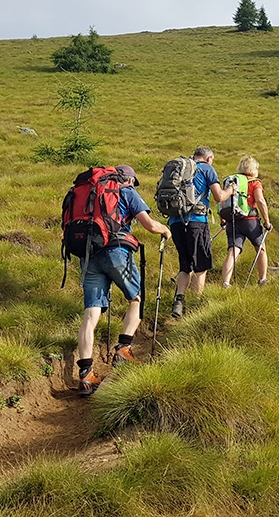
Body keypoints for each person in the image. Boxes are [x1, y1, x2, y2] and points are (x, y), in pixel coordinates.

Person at [77, 165, 171, 397]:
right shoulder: (127, 192)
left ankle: (86, 374)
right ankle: (124, 349)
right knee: (136, 298)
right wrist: (165, 231)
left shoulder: (91, 193)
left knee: (91, 314)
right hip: (117, 252)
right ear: (128, 179)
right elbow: (149, 225)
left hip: (88, 255)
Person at [168, 146, 234, 319]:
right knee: (200, 266)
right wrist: (230, 191)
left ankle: (179, 301)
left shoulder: (179, 167)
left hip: (175, 222)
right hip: (196, 222)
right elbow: (219, 196)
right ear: (209, 158)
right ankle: (195, 308)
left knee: (185, 265)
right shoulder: (207, 168)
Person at [220, 155, 273, 288]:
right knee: (260, 249)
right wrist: (267, 222)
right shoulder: (254, 182)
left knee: (233, 251)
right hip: (251, 221)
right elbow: (260, 201)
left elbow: (222, 201)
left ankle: (226, 282)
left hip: (233, 220)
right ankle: (262, 280)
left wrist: (223, 220)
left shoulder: (232, 181)